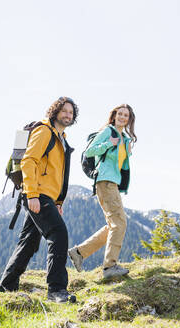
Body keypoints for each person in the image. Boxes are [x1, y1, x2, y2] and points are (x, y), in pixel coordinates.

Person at [0, 97, 78, 303]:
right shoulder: (44, 131)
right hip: (37, 194)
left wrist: (58, 201)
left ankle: (6, 286)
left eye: (71, 112)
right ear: (55, 111)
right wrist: (32, 194)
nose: (68, 115)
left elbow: (57, 173)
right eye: (64, 111)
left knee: (28, 242)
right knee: (58, 233)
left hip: (46, 195)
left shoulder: (61, 138)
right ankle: (56, 290)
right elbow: (29, 160)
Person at [68, 104, 137, 279]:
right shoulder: (109, 131)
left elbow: (121, 165)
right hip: (105, 182)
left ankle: (79, 252)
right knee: (120, 223)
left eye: (126, 115)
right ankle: (109, 267)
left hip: (112, 183)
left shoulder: (125, 139)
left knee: (114, 225)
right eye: (120, 114)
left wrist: (126, 150)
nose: (122, 117)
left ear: (129, 119)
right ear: (114, 116)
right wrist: (108, 144)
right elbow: (89, 151)